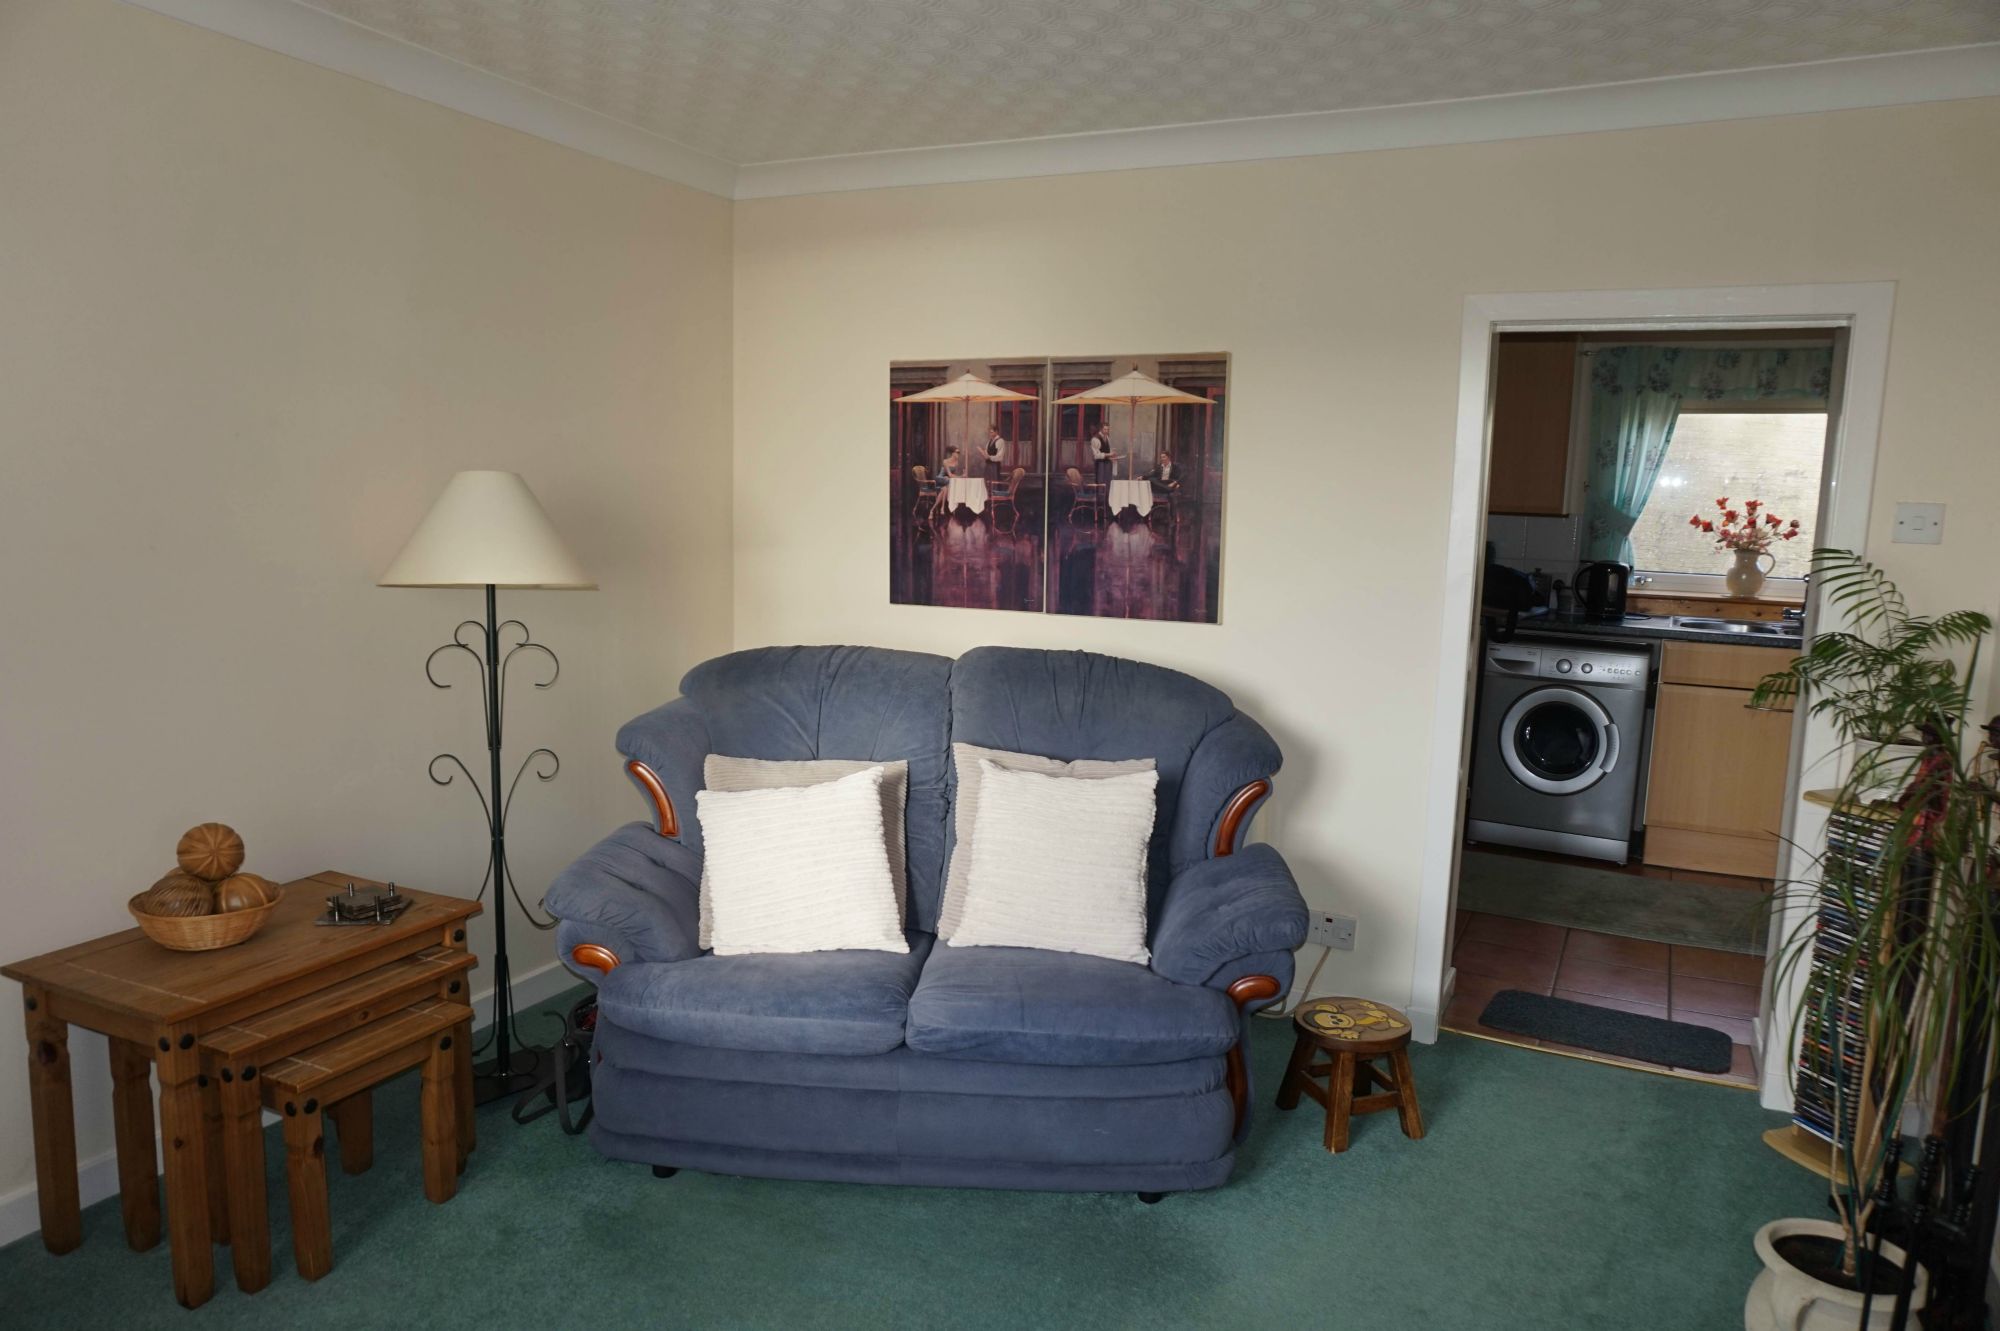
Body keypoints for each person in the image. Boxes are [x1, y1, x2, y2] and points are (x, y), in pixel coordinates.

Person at [932, 445, 963, 515]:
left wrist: (961, 476)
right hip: (940, 478)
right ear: (953, 453)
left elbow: (953, 475)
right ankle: (943, 507)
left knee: (945, 489)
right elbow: (950, 475)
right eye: (957, 452)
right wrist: (961, 477)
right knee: (948, 480)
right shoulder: (945, 461)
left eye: (959, 452)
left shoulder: (956, 462)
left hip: (948, 480)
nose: (958, 454)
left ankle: (936, 509)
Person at [1088, 423, 1122, 487]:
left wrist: (1112, 455)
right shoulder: (1095, 439)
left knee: (1107, 481)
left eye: (1108, 429)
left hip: (1107, 463)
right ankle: (1100, 493)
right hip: (1100, 464)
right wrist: (1109, 454)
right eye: (1105, 429)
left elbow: (1107, 449)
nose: (1106, 431)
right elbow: (1096, 455)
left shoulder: (1107, 437)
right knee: (1100, 482)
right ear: (1101, 429)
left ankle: (1107, 493)